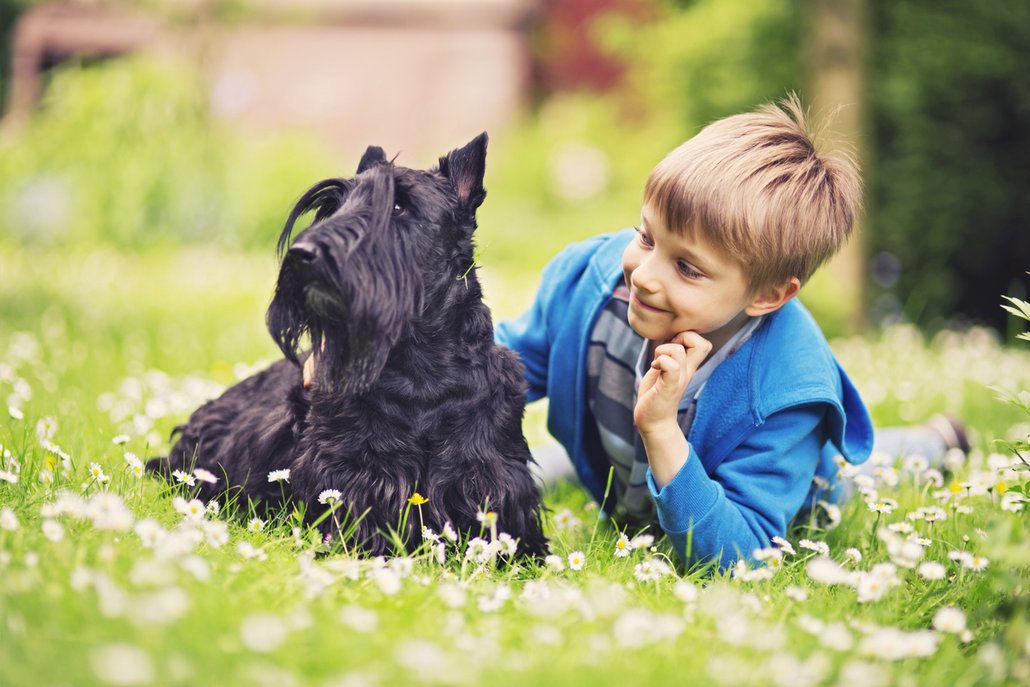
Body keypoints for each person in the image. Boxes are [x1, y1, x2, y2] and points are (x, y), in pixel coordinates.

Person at [494, 95, 962, 569]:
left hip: (780, 486)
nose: (644, 275)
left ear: (768, 295)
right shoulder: (588, 283)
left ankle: (933, 443)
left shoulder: (785, 393)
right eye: (647, 237)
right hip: (621, 464)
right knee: (550, 468)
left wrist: (661, 430)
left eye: (687, 268)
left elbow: (741, 558)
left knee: (850, 476)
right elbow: (492, 367)